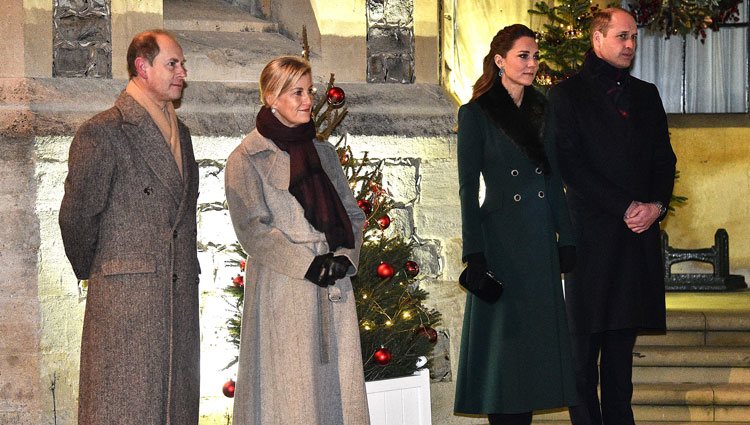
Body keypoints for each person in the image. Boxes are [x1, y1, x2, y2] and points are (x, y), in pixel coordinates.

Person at [59, 29, 200, 424]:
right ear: (142, 66)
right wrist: (108, 272)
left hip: (178, 299)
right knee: (123, 406)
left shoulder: (182, 135)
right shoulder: (103, 131)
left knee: (174, 409)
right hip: (127, 303)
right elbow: (77, 217)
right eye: (173, 63)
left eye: (182, 64)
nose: (182, 72)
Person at [547, 7, 677, 425]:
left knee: (621, 356)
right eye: (622, 36)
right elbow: (569, 164)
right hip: (590, 240)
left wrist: (655, 206)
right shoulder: (566, 94)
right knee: (583, 355)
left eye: (634, 38)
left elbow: (664, 158)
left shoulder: (646, 94)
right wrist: (625, 207)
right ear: (597, 39)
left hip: (635, 241)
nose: (630, 45)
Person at [224, 56, 370, 425]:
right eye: (297, 92)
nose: (308, 100)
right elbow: (253, 230)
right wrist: (306, 264)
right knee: (290, 398)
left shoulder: (323, 154)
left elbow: (352, 214)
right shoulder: (246, 158)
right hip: (283, 291)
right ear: (272, 97)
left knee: (338, 395)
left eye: (310, 91)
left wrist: (344, 255)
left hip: (333, 292)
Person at [454, 24, 578, 425]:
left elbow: (554, 178)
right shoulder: (476, 113)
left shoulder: (544, 109)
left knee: (534, 353)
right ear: (500, 60)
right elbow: (467, 188)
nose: (531, 63)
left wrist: (567, 237)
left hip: (539, 240)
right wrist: (474, 253)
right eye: (523, 56)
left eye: (535, 56)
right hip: (501, 243)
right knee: (504, 357)